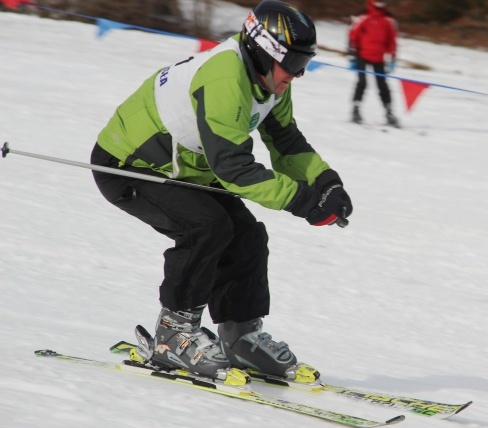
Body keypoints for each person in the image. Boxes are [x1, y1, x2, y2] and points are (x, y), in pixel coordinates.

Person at [90, 0, 352, 383]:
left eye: (305, 64)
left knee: (246, 235)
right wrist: (303, 201)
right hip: (128, 166)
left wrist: (326, 182)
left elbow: (286, 141)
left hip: (189, 167)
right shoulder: (226, 78)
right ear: (265, 53)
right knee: (206, 226)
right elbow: (235, 169)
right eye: (294, 64)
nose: (297, 76)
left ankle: (240, 336)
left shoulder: (270, 81)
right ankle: (173, 334)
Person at [348, 0, 399, 127]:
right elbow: (353, 35)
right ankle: (356, 110)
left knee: (382, 85)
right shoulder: (363, 15)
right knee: (362, 83)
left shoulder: (389, 19)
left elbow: (392, 40)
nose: (381, 4)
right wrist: (352, 56)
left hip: (379, 57)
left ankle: (389, 112)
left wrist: (392, 57)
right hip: (362, 55)